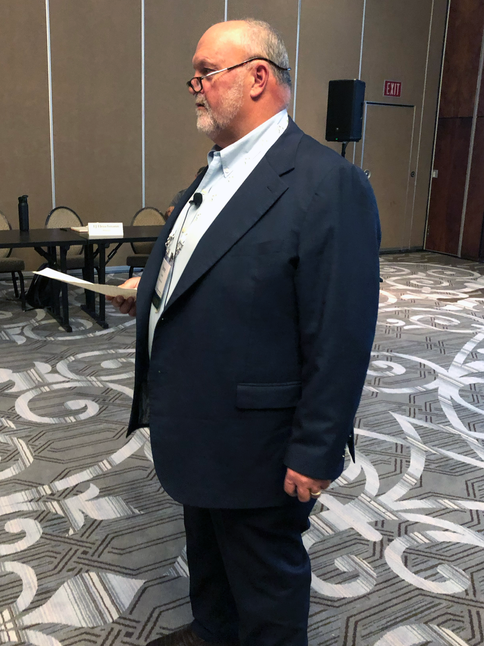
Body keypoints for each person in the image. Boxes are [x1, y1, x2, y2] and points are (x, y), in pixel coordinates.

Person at [109, 18, 380, 646]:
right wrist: (149, 290)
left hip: (262, 438)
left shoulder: (328, 184)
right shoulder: (216, 171)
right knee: (207, 548)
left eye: (206, 73)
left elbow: (341, 333)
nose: (194, 87)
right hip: (199, 420)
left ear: (259, 76)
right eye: (194, 77)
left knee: (263, 576)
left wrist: (316, 449)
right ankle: (212, 631)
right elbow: (206, 262)